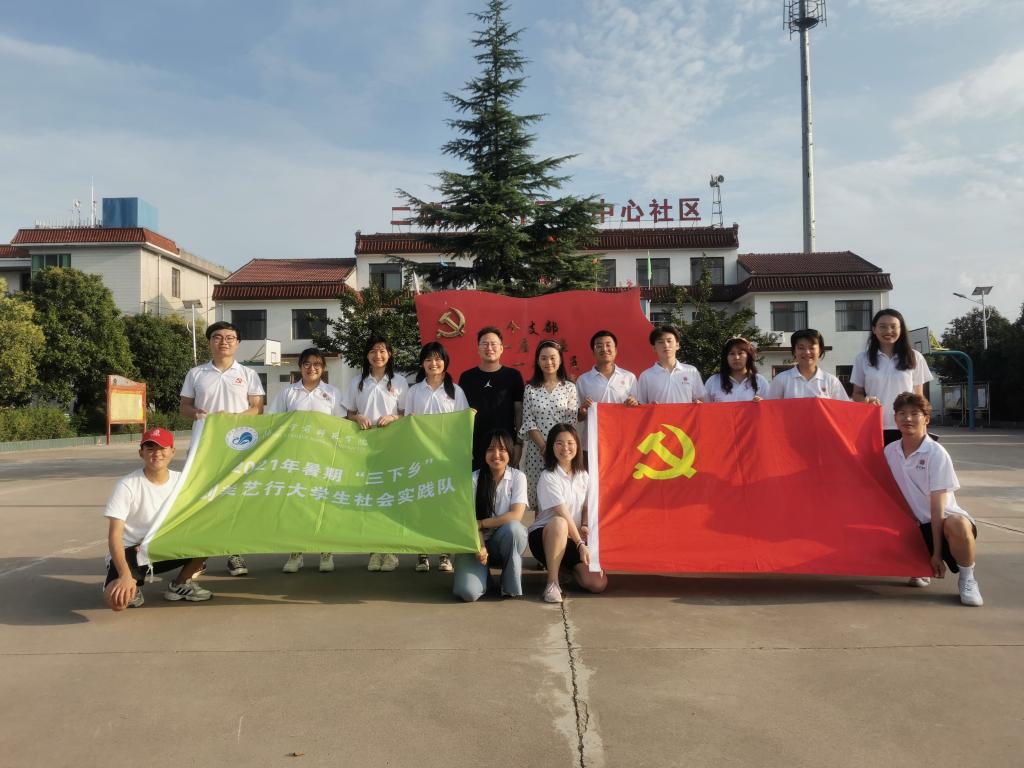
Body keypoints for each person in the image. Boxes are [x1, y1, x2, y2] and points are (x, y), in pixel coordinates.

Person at [180, 320, 264, 577]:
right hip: (203, 447)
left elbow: (257, 408)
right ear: (209, 342)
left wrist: (235, 419)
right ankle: (198, 557)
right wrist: (198, 413)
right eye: (217, 337)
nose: (224, 342)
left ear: (237, 343)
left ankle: (234, 552)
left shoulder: (248, 374)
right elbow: (184, 407)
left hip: (238, 447)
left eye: (230, 337)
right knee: (200, 500)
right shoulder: (196, 373)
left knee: (235, 501)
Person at [884, 393, 983, 606]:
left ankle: (968, 579)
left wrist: (937, 554)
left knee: (958, 523)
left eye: (914, 414)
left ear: (926, 419)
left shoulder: (936, 454)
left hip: (942, 523)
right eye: (902, 413)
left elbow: (937, 509)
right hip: (914, 526)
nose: (907, 418)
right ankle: (919, 567)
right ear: (895, 419)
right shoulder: (890, 451)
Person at [103, 428, 211, 610]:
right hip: (133, 552)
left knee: (208, 538)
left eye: (162, 448)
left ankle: (180, 584)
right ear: (141, 453)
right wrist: (125, 575)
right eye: (150, 448)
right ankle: (132, 583)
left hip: (163, 546)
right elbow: (115, 536)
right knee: (117, 603)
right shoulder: (127, 485)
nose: (157, 453)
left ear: (172, 451)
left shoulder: (183, 482)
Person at [267, 347, 344, 575]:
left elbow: (341, 426)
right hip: (295, 459)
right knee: (295, 505)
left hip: (324, 459)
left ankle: (325, 552)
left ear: (323, 368)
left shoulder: (333, 393)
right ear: (300, 366)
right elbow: (274, 422)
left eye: (317, 364)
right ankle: (296, 553)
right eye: (307, 364)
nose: (312, 368)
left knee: (323, 506)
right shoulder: (287, 393)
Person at [402, 341, 469, 573]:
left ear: (445, 362)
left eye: (438, 358)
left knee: (444, 504)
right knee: (421, 503)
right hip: (420, 456)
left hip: (446, 458)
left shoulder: (456, 391)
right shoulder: (414, 391)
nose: (433, 363)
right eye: (428, 359)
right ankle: (422, 552)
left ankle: (443, 553)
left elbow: (462, 424)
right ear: (422, 363)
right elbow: (408, 423)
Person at [342, 335, 407, 573]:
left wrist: (393, 417)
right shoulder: (357, 382)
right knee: (370, 498)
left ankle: (390, 551)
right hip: (363, 448)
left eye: (382, 351)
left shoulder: (399, 381)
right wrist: (357, 416)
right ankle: (374, 549)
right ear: (367, 355)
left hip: (392, 447)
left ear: (389, 354)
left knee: (391, 498)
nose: (377, 355)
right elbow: (348, 413)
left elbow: (407, 413)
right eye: (373, 351)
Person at [528, 424, 607, 603]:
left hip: (575, 538)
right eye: (559, 443)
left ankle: (566, 570)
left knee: (597, 584)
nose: (565, 448)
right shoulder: (548, 476)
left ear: (577, 446)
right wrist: (580, 544)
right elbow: (563, 514)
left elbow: (587, 506)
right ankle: (552, 583)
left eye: (570, 443)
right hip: (546, 536)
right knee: (560, 523)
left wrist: (584, 525)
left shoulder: (583, 475)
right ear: (551, 447)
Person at [452, 430, 529, 601]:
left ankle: (508, 586)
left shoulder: (518, 477)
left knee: (515, 529)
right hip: (475, 541)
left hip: (503, 540)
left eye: (502, 449)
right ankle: (484, 575)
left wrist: (482, 523)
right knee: (468, 593)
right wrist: (480, 546)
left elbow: (516, 515)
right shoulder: (473, 479)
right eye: (490, 449)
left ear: (510, 452)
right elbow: (470, 520)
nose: (496, 454)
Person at [851, 308, 934, 445]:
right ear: (874, 329)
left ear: (901, 329)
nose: (888, 331)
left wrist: (923, 427)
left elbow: (919, 397)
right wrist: (865, 400)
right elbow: (856, 394)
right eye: (882, 326)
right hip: (873, 425)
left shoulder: (915, 357)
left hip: (906, 425)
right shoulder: (862, 358)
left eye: (893, 326)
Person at [519, 340, 579, 511]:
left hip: (563, 450)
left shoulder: (569, 388)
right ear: (538, 361)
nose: (548, 362)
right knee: (539, 498)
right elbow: (528, 421)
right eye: (543, 358)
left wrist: (556, 447)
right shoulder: (530, 389)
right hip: (537, 451)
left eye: (553, 358)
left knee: (561, 497)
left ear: (560, 360)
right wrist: (544, 447)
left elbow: (571, 420)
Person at [458, 326, 525, 471]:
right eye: (484, 344)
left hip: (506, 445)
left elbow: (519, 412)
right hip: (476, 446)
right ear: (478, 348)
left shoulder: (513, 376)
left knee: (507, 483)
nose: (489, 348)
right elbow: (461, 413)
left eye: (493, 344)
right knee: (478, 484)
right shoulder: (467, 377)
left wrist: (519, 444)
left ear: (501, 348)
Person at [576, 329, 638, 449]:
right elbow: (577, 417)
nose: (604, 349)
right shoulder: (583, 380)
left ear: (616, 350)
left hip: (622, 442)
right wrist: (583, 411)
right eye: (599, 346)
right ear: (593, 352)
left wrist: (634, 404)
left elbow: (638, 411)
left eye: (608, 345)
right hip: (593, 444)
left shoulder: (629, 377)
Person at [766, 329, 850, 401]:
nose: (807, 352)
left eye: (811, 348)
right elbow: (770, 409)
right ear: (794, 351)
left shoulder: (831, 381)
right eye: (801, 348)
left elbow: (844, 410)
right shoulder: (781, 380)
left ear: (820, 350)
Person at [637, 324, 706, 404]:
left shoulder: (691, 371)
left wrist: (699, 403)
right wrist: (650, 407)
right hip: (658, 413)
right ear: (654, 348)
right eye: (660, 342)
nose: (666, 345)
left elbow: (702, 400)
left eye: (669, 341)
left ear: (677, 345)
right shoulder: (646, 376)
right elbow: (640, 405)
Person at [705, 337, 770, 402]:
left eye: (740, 353)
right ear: (726, 358)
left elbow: (770, 406)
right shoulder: (713, 381)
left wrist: (762, 404)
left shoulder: (760, 381)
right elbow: (704, 406)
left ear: (748, 356)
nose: (736, 357)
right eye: (732, 353)